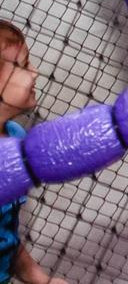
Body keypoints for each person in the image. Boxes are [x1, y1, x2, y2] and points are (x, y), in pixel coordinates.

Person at [0, 20, 68, 284]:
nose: (35, 72)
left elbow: (7, 238)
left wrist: (40, 279)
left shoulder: (16, 137)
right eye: (24, 65)